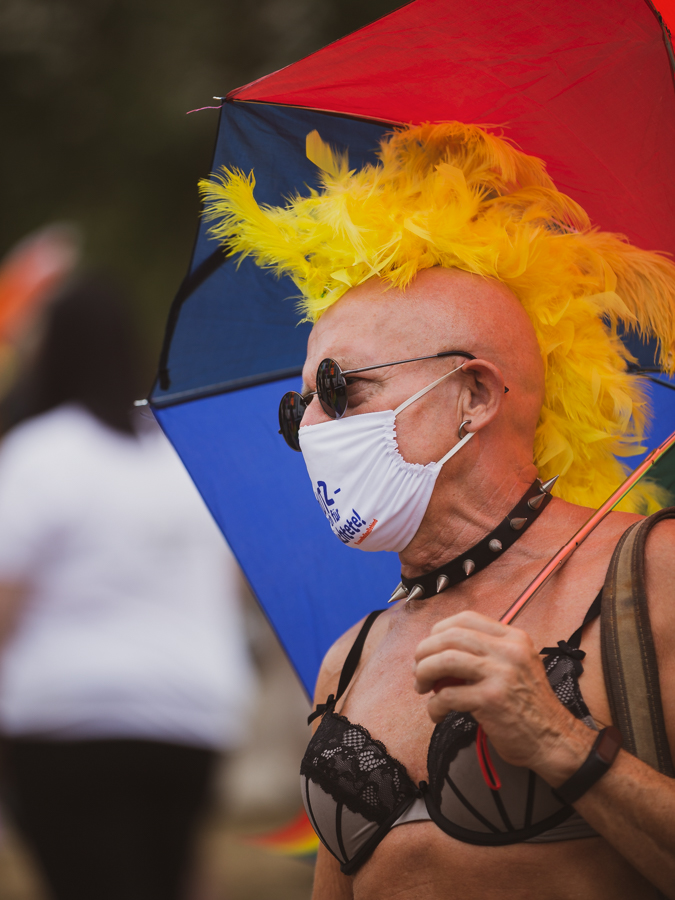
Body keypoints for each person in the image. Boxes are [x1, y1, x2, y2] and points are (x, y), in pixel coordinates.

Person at [199, 123, 675, 899]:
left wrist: (558, 742)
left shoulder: (651, 576)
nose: (312, 429)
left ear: (473, 396)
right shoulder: (351, 658)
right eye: (298, 408)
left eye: (340, 389)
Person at [0, 274, 254, 900]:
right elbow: (230, 585)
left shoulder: (40, 455)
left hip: (67, 717)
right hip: (192, 713)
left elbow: (6, 601)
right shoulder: (183, 460)